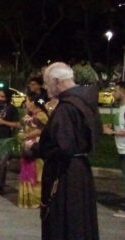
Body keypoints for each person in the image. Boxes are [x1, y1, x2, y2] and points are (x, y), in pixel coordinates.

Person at [31, 62, 100, 240]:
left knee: (66, 223)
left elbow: (63, 146)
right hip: (81, 169)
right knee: (80, 222)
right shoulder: (85, 101)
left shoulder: (67, 107)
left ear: (56, 81)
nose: (46, 88)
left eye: (46, 83)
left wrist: (36, 148)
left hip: (65, 173)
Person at [17, 96, 48, 209]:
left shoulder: (41, 116)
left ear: (34, 103)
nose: (26, 102)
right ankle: (27, 200)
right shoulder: (31, 115)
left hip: (36, 150)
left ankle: (36, 200)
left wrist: (26, 136)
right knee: (28, 172)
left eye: (28, 100)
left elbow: (42, 130)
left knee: (36, 173)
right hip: (28, 147)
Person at [103, 81, 125, 218]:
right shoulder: (120, 108)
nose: (113, 93)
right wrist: (110, 125)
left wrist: (111, 133)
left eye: (116, 91)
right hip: (121, 149)